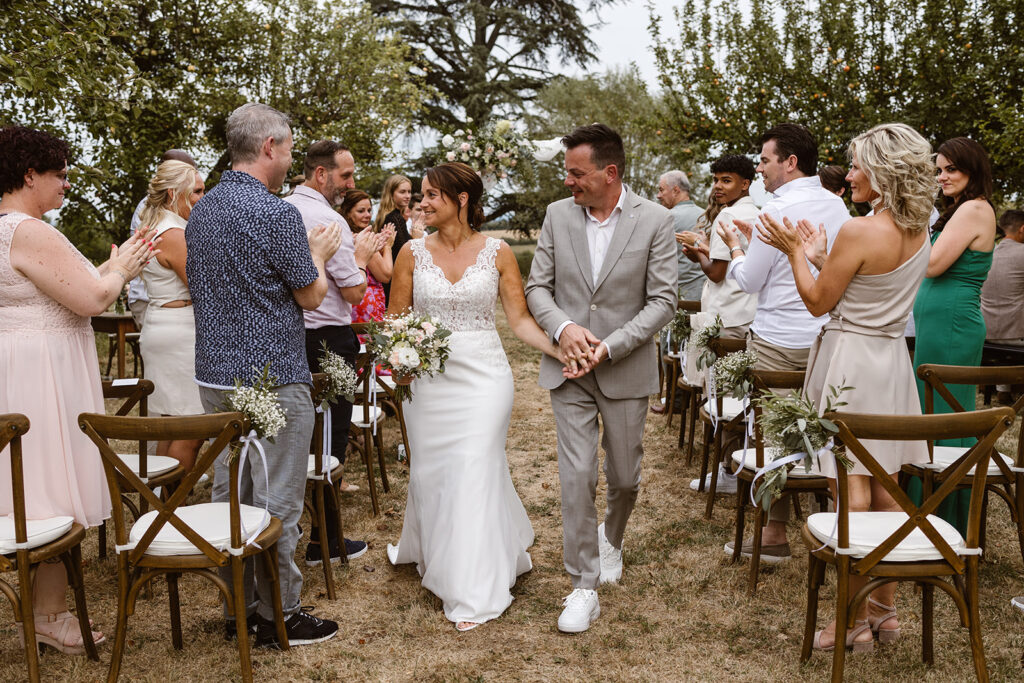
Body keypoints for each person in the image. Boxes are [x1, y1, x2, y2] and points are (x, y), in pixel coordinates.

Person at [756, 122, 934, 651]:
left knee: (850, 491)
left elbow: (818, 302)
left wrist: (792, 251)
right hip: (890, 362)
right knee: (888, 487)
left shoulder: (859, 230)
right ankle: (887, 612)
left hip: (850, 363)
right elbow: (865, 287)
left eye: (857, 165)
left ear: (881, 172)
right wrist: (818, 256)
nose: (849, 174)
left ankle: (850, 620)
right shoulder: (919, 227)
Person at [385, 162, 569, 632]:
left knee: (473, 466)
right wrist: (401, 363)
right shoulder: (410, 253)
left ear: (461, 199)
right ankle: (445, 552)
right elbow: (395, 322)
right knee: (436, 472)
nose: (421, 203)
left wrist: (558, 348)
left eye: (430, 196)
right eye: (421, 195)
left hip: (485, 377)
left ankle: (472, 588)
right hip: (427, 380)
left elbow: (520, 320)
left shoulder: (499, 252)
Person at [185, 103, 342, 648]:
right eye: (292, 147)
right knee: (277, 500)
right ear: (270, 146)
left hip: (215, 373)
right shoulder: (277, 215)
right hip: (273, 374)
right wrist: (318, 253)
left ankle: (238, 611)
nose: (293, 157)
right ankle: (280, 614)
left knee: (232, 492)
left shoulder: (200, 213)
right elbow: (312, 294)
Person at [1, 125, 155, 653]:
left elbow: (69, 285)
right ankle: (49, 615)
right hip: (43, 375)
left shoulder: (6, 229)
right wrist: (125, 270)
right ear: (29, 174)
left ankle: (45, 610)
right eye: (60, 175)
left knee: (30, 487)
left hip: (21, 369)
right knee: (47, 489)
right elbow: (92, 299)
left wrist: (112, 265)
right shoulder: (30, 229)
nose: (66, 185)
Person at [526, 124, 677, 633]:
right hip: (568, 370)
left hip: (625, 366)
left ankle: (613, 537)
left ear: (609, 173)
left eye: (577, 172)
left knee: (625, 477)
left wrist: (609, 346)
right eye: (567, 172)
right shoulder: (555, 216)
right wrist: (565, 328)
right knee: (577, 476)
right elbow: (537, 289)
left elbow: (663, 301)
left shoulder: (656, 220)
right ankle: (582, 585)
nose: (569, 181)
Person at [716, 123, 851, 562]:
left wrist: (737, 248)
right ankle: (831, 524)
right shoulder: (838, 207)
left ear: (790, 163)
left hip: (776, 339)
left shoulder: (773, 211)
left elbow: (751, 280)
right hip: (824, 339)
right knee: (824, 431)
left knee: (772, 433)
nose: (759, 169)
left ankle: (775, 533)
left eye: (764, 160)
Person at [284, 140, 386, 564]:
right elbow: (354, 289)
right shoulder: (330, 220)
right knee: (330, 436)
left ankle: (292, 534)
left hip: (289, 338)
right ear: (321, 174)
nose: (352, 183)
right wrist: (361, 258)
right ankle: (323, 540)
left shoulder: (283, 208)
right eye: (345, 175)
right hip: (328, 338)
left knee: (296, 438)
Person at [910, 137, 997, 536]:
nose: (942, 176)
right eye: (939, 169)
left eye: (951, 169)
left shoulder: (974, 209)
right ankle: (926, 510)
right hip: (939, 321)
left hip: (952, 325)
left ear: (972, 171)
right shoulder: (960, 210)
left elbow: (932, 264)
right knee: (932, 409)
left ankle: (943, 517)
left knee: (944, 412)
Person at [136, 160, 207, 471]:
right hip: (180, 331)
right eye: (197, 192)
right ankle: (171, 507)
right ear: (172, 193)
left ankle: (161, 507)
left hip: (161, 324)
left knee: (173, 423)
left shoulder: (153, 226)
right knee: (192, 429)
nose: (203, 198)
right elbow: (202, 287)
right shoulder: (175, 233)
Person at [127, 149, 199, 330]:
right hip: (160, 305)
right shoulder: (171, 231)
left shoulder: (160, 214)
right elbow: (200, 287)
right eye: (196, 191)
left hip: (158, 304)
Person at [980, 209, 1024, 402]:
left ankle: (1003, 390)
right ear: (1022, 229)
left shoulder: (988, 253)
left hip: (986, 334)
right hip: (1017, 337)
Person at [341, 190, 395, 328]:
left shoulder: (344, 235)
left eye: (369, 210)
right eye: (361, 211)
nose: (367, 215)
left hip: (350, 308)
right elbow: (385, 274)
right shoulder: (363, 239)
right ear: (348, 213)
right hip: (366, 311)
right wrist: (388, 246)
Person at [657, 169, 706, 300]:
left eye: (661, 190)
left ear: (676, 190)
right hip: (705, 293)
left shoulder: (667, 217)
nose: (658, 195)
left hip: (679, 297)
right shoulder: (706, 215)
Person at [376, 174, 412, 303]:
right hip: (394, 279)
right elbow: (404, 250)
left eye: (409, 191)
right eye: (402, 192)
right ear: (391, 194)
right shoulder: (393, 218)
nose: (407, 196)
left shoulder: (394, 216)